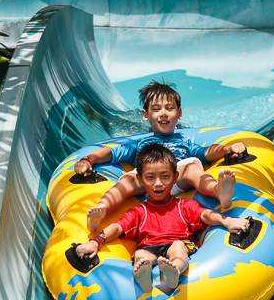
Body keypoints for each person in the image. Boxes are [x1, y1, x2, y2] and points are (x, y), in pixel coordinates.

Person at [74, 80, 246, 231]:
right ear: (145, 115)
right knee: (127, 180)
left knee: (192, 168)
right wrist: (88, 160)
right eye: (156, 109)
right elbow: (111, 152)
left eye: (169, 108)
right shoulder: (139, 144)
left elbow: (207, 152)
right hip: (146, 180)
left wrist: (226, 149)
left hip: (174, 177)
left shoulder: (184, 143)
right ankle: (101, 210)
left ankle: (219, 191)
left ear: (179, 113)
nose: (163, 113)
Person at [75, 144, 249, 293]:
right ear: (140, 180)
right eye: (150, 178)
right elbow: (118, 227)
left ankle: (174, 270)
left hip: (178, 243)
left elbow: (205, 215)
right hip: (149, 248)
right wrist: (96, 241)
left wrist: (227, 221)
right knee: (141, 255)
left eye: (165, 177)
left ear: (175, 178)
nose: (158, 183)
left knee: (178, 248)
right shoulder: (139, 211)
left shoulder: (183, 206)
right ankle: (142, 274)